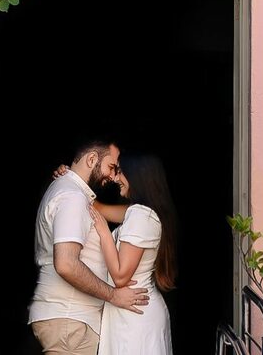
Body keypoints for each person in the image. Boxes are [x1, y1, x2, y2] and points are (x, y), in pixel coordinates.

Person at [29, 141, 150, 355]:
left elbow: (135, 213)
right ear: (92, 159)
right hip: (70, 320)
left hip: (71, 321)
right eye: (112, 167)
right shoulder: (72, 196)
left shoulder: (74, 193)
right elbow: (66, 264)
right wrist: (113, 296)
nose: (113, 177)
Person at [90, 154, 177, 355]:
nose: (115, 178)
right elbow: (98, 209)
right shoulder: (140, 212)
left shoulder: (141, 215)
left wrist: (104, 232)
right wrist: (73, 180)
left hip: (134, 314)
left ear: (138, 176)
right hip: (134, 311)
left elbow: (121, 276)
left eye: (120, 171)